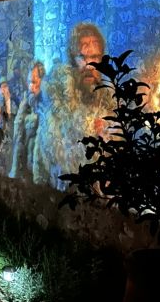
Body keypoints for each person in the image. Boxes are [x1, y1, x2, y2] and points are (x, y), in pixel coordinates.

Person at [33, 22, 110, 189]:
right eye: (83, 58)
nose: (90, 65)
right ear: (73, 60)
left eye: (95, 57)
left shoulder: (108, 99)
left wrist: (108, 138)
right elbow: (64, 162)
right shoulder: (57, 102)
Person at [9, 61, 46, 181]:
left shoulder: (46, 101)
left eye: (34, 82)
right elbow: (18, 125)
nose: (31, 86)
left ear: (43, 81)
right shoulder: (27, 99)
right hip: (24, 163)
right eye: (29, 82)